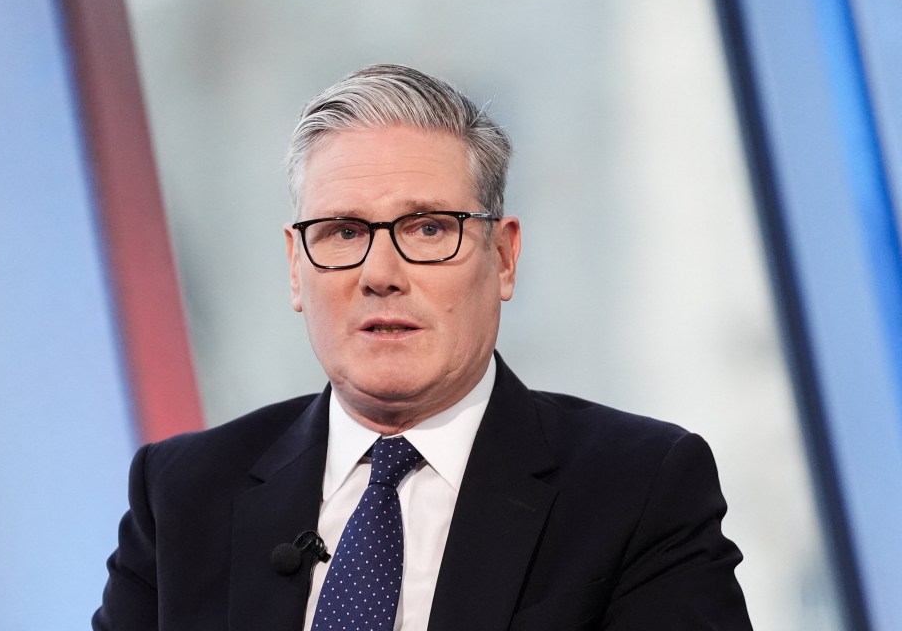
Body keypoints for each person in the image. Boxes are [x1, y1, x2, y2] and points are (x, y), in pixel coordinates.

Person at [93, 63, 751, 630]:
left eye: (429, 228)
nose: (380, 274)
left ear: (504, 256)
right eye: (344, 232)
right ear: (296, 267)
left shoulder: (637, 488)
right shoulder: (183, 493)